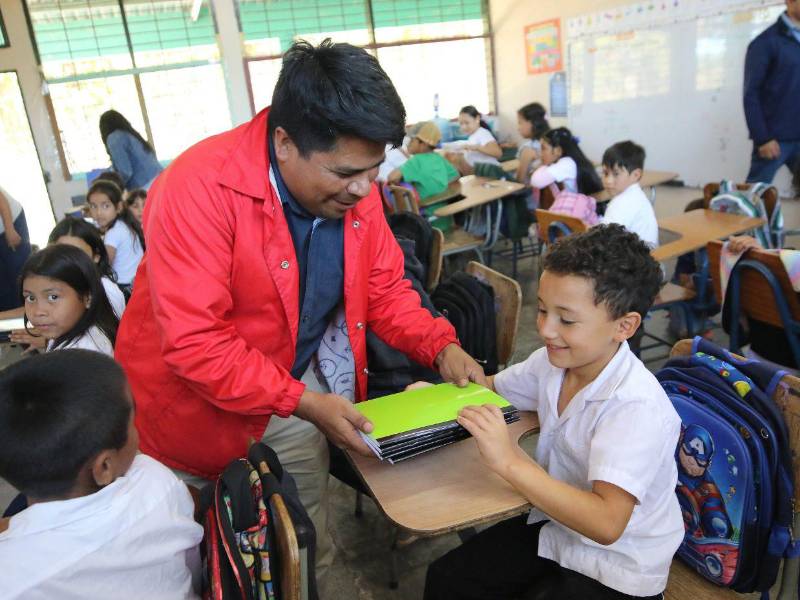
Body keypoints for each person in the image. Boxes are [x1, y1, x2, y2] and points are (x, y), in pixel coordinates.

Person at [114, 39, 483, 585]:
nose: (363, 189)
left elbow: (386, 291)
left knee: (301, 549)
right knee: (197, 566)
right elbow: (197, 343)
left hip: (292, 397)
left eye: (373, 170)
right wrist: (304, 402)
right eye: (344, 173)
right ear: (283, 142)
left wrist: (440, 345)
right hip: (188, 415)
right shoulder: (197, 188)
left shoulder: (356, 193)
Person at [424, 224, 683, 600]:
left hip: (619, 563)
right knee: (448, 578)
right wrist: (431, 398)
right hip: (558, 524)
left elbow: (607, 524)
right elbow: (493, 388)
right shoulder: (554, 362)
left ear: (624, 326)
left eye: (567, 319)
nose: (545, 329)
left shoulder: (634, 406)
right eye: (542, 310)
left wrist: (509, 460)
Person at [0, 350, 203, 600]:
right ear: (104, 467)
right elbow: (193, 570)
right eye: (132, 420)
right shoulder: (156, 482)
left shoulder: (10, 577)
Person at [19, 245, 118, 356]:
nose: (38, 312)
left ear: (88, 297)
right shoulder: (86, 332)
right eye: (31, 298)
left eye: (53, 297)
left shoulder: (78, 354)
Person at [743, 0, 800, 184]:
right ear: (790, 2)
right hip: (774, 139)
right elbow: (751, 94)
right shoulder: (765, 42)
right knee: (755, 198)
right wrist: (763, 138)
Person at [87, 178, 145, 293]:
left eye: (105, 206)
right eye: (93, 206)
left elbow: (105, 265)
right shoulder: (124, 224)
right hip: (138, 283)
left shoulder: (113, 233)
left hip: (126, 289)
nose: (98, 213)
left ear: (118, 207)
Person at [600, 141, 658, 248]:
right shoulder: (634, 195)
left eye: (616, 174)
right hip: (641, 257)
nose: (608, 180)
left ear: (636, 175)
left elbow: (604, 241)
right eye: (605, 173)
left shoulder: (623, 203)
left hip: (636, 261)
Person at [386, 121, 459, 199]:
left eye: (412, 140)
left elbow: (392, 177)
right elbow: (455, 176)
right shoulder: (439, 157)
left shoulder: (416, 161)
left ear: (423, 144)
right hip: (445, 204)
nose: (408, 143)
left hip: (427, 208)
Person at [99, 110, 162, 190]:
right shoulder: (130, 133)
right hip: (159, 176)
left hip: (146, 184)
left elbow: (125, 171)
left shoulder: (114, 138)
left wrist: (114, 188)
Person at [531, 127, 603, 196]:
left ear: (558, 150)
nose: (540, 153)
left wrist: (544, 165)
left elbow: (536, 181)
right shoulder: (569, 161)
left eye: (543, 148)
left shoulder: (567, 163)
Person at [0, 184, 32, 311]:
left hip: (10, 221)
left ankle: (30, 314)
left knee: (19, 273)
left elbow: (2, 202)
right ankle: (11, 324)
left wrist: (10, 229)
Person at [444, 105, 502, 174]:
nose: (464, 127)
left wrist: (476, 147)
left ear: (477, 119)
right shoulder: (472, 137)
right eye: (461, 123)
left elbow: (498, 153)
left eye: (467, 123)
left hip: (491, 174)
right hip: (479, 174)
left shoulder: (482, 133)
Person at [515, 102, 550, 183]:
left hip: (531, 193)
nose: (518, 128)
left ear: (532, 123)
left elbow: (519, 180)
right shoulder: (551, 143)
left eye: (520, 122)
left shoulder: (528, 148)